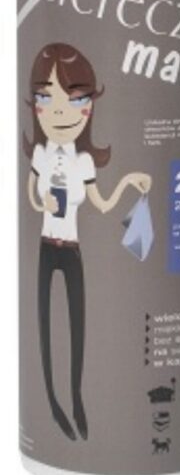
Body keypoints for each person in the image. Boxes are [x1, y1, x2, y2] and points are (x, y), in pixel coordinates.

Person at [24, 42, 151, 440]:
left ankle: (76, 398)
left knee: (77, 328)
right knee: (45, 326)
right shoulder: (42, 155)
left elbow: (103, 203)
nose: (60, 111)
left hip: (72, 252)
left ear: (89, 106)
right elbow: (30, 194)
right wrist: (41, 201)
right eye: (47, 98)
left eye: (75, 99)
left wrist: (129, 183)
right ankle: (52, 401)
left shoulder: (83, 163)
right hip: (45, 248)